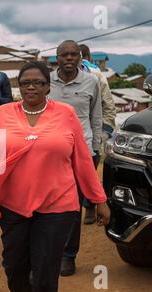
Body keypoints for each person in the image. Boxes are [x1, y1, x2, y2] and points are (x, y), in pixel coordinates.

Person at [0, 61, 110, 292]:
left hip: (57, 205)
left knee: (44, 274)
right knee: (15, 270)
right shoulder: (3, 114)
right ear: (18, 87)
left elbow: (83, 160)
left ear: (48, 87)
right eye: (25, 83)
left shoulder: (66, 114)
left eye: (38, 83)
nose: (31, 87)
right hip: (13, 206)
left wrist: (98, 199)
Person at [49, 40, 103, 277]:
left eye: (74, 55)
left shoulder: (92, 81)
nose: (69, 58)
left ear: (80, 58)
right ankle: (47, 251)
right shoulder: (45, 81)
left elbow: (96, 116)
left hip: (82, 153)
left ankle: (68, 255)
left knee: (73, 205)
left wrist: (96, 147)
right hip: (49, 153)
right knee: (48, 203)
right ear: (57, 58)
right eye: (64, 55)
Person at [79, 44, 117, 224]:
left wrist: (104, 132)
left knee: (90, 168)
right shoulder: (58, 80)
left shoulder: (96, 76)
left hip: (93, 132)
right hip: (69, 132)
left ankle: (89, 206)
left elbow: (108, 105)